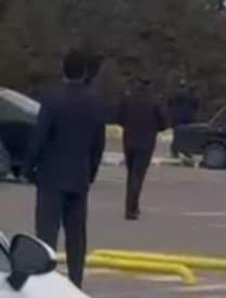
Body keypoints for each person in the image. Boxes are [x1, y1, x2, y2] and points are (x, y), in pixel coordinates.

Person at [24, 49, 106, 288]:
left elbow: (39, 136)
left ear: (64, 69)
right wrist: (90, 172)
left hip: (51, 175)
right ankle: (75, 282)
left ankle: (43, 283)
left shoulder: (52, 98)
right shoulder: (95, 101)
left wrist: (29, 168)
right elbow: (98, 144)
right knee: (76, 236)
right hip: (79, 176)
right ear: (85, 73)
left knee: (47, 233)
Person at [116, 78, 166, 221]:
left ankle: (133, 205)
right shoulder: (154, 101)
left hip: (129, 139)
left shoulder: (128, 99)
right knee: (138, 176)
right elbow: (164, 123)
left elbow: (118, 118)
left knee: (131, 174)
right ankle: (131, 209)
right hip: (146, 141)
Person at [166, 79, 199, 158]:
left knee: (177, 135)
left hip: (176, 118)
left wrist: (171, 112)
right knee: (187, 136)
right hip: (188, 118)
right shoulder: (193, 96)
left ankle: (175, 151)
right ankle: (186, 151)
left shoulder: (175, 94)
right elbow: (196, 106)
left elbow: (169, 103)